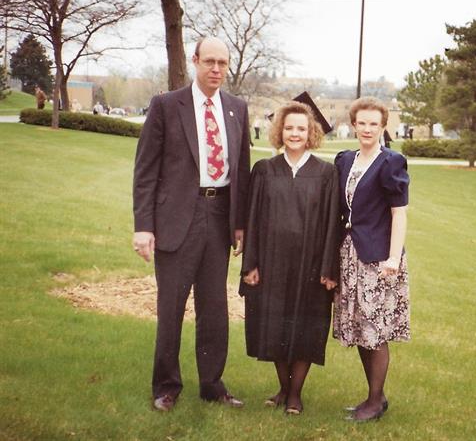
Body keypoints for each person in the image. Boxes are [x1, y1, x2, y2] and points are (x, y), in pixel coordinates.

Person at [133, 36, 251, 411]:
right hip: (176, 218)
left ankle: (212, 385)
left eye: (222, 63)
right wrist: (143, 226)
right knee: (171, 306)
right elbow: (145, 171)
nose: (216, 69)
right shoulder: (167, 105)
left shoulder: (237, 108)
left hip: (220, 215)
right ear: (195, 61)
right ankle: (166, 386)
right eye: (209, 61)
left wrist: (240, 222)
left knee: (214, 307)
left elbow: (241, 170)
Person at [240, 100, 339, 415]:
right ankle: (284, 388)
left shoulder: (326, 173)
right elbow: (253, 220)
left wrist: (328, 268)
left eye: (301, 128)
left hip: (311, 265)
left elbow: (332, 224)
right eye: (289, 128)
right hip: (273, 263)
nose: (295, 134)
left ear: (311, 133)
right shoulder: (264, 170)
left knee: (306, 327)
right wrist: (250, 264)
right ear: (279, 131)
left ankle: (295, 394)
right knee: (275, 326)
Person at [334, 96, 410, 422]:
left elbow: (399, 213)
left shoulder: (391, 162)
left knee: (374, 330)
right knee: (361, 330)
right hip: (350, 254)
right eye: (362, 123)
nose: (367, 129)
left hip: (378, 259)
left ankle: (375, 402)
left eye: (373, 124)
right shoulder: (345, 160)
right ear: (353, 125)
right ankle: (373, 397)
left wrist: (393, 258)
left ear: (382, 127)